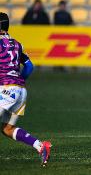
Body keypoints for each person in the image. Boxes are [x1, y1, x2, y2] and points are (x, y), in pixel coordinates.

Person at [0, 12, 52, 167]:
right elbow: (29, 66)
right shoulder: (18, 44)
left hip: (5, 89)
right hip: (20, 91)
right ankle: (40, 146)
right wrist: (20, 79)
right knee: (7, 128)